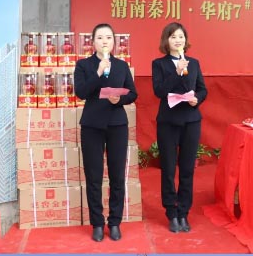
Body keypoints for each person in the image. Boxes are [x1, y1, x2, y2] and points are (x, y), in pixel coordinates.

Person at [74, 23, 138, 242]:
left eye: (108, 37)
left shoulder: (121, 66)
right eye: (100, 38)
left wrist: (119, 99)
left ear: (114, 42)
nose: (104, 41)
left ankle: (115, 222)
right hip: (92, 125)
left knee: (117, 176)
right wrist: (98, 72)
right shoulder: (84, 65)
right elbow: (81, 92)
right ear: (93, 42)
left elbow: (133, 94)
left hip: (117, 125)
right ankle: (97, 224)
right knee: (93, 177)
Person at [151, 22, 208, 233]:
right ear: (166, 40)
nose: (178, 40)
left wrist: (197, 99)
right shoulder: (159, 64)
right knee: (168, 169)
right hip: (168, 121)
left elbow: (202, 89)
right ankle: (171, 213)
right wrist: (176, 71)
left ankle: (184, 212)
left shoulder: (194, 63)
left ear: (186, 40)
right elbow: (159, 91)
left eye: (181, 37)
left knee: (187, 169)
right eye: (173, 36)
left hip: (191, 120)